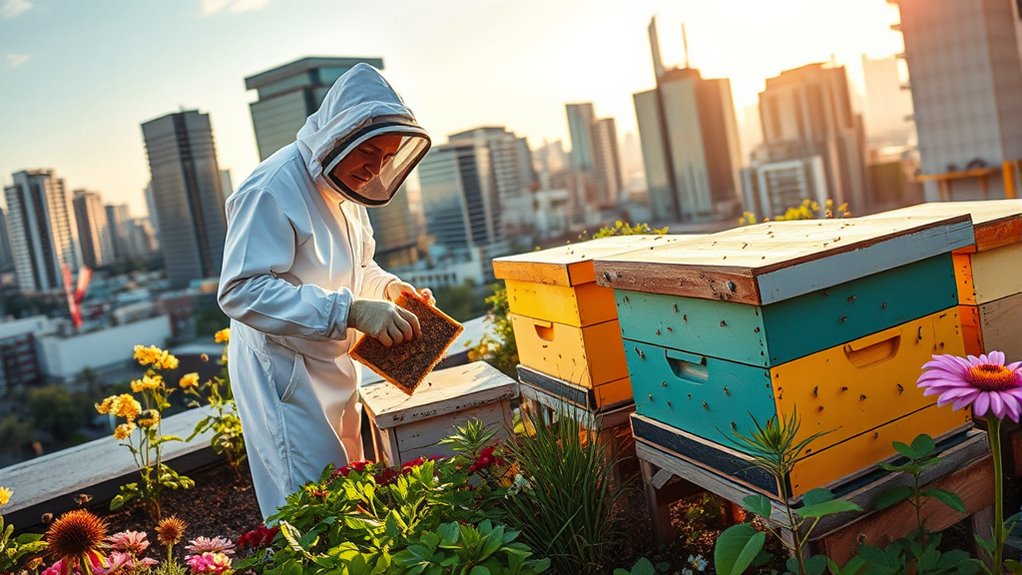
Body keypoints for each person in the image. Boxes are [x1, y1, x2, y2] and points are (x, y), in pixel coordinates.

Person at [217, 63, 434, 519]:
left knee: (348, 483)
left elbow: (358, 265)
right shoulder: (272, 189)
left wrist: (390, 292)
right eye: (368, 152)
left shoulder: (344, 190)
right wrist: (351, 311)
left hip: (330, 359)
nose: (374, 167)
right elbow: (240, 290)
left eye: (385, 157)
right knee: (309, 504)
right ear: (340, 136)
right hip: (283, 368)